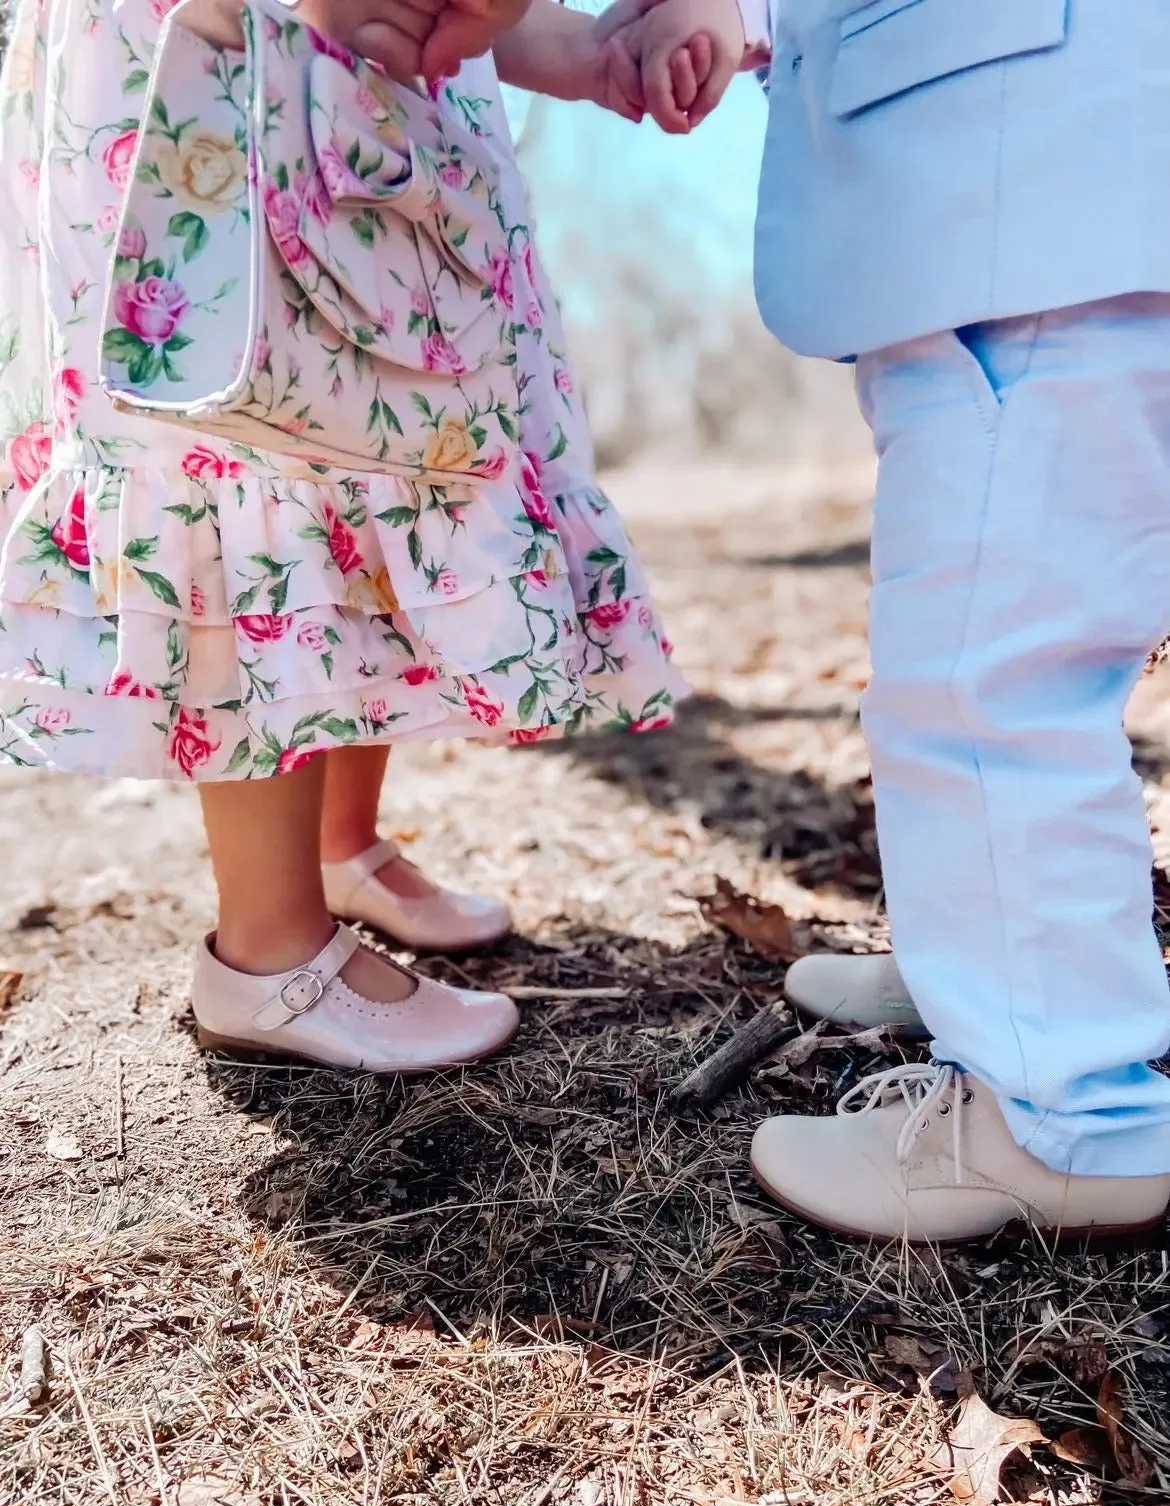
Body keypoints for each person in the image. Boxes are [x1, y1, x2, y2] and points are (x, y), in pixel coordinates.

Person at [0, 0, 684, 1071]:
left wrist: (598, 54)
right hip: (216, 44)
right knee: (259, 442)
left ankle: (339, 848)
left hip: (370, 75)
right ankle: (267, 953)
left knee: (386, 441)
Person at [600, 0, 1170, 1242]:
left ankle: (1058, 1111)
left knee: (986, 682)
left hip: (1030, 207)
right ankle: (996, 968)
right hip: (1050, 204)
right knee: (1006, 646)